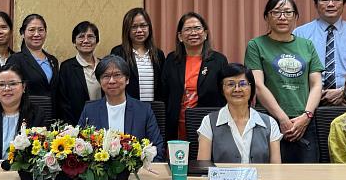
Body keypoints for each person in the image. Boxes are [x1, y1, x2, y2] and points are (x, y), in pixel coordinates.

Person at [245, 0, 323, 163]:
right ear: (267, 17)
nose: (282, 17)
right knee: (270, 173)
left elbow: (317, 84)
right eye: (276, 12)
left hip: (304, 120)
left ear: (295, 17)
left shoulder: (307, 45)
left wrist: (306, 116)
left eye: (288, 12)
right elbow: (258, 85)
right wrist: (282, 118)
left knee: (308, 174)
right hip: (269, 119)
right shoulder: (256, 45)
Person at [78, 55, 165, 159]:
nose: (112, 81)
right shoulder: (90, 110)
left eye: (117, 75)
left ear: (127, 79)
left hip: (137, 168)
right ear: (100, 81)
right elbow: (79, 146)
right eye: (106, 76)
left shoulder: (143, 110)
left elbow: (157, 148)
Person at [161, 12, 228, 142]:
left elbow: (224, 95)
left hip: (208, 124)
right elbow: (164, 94)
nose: (193, 33)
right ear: (180, 36)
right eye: (188, 29)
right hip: (176, 125)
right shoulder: (171, 60)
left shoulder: (218, 60)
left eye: (197, 28)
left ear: (205, 33)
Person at [196, 63, 282, 163]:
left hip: (261, 174)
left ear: (251, 88)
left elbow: (276, 168)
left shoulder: (270, 123)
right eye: (230, 84)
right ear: (222, 89)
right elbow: (203, 167)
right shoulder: (209, 122)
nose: (237, 89)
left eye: (243, 84)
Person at [110, 8, 165, 102]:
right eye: (134, 27)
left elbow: (162, 86)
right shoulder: (118, 53)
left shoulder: (158, 54)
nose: (139, 30)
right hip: (129, 107)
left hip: (154, 108)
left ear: (149, 27)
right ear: (127, 29)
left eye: (143, 25)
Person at [5, 14, 59, 101]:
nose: (37, 34)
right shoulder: (15, 60)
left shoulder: (53, 60)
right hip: (28, 109)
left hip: (52, 109)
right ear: (23, 33)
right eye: (31, 30)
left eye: (41, 30)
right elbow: (11, 91)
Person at [57, 21, 102, 125]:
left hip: (103, 122)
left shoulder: (104, 65)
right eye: (81, 36)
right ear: (74, 42)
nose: (86, 40)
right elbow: (63, 102)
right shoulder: (67, 67)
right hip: (77, 123)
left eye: (90, 36)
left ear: (97, 41)